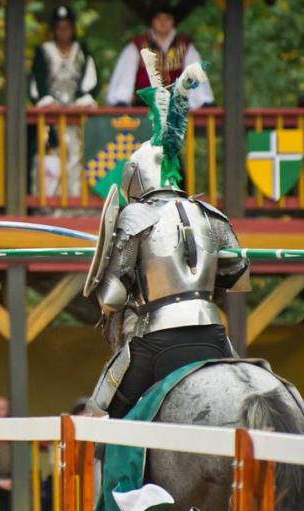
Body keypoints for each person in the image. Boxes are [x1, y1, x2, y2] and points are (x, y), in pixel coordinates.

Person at [85, 57, 248, 419]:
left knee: (98, 416)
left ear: (135, 178)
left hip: (157, 339)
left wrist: (113, 279)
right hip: (213, 334)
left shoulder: (135, 217)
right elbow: (238, 269)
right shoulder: (210, 215)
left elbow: (111, 298)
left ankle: (116, 476)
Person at [29, 5, 99, 197]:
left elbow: (90, 80)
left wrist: (82, 101)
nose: (63, 31)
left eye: (67, 27)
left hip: (76, 118)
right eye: (59, 27)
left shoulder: (81, 50)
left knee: (77, 157)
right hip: (49, 118)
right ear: (54, 29)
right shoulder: (44, 51)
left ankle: (75, 201)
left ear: (72, 28)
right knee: (48, 157)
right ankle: (47, 202)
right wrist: (47, 101)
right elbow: (36, 83)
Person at [105, 5, 213, 110]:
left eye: (167, 18)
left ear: (173, 21)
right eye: (158, 18)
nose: (163, 22)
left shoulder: (185, 46)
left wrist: (201, 102)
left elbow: (195, 75)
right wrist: (121, 100)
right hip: (143, 109)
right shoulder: (137, 46)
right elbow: (125, 77)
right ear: (152, 21)